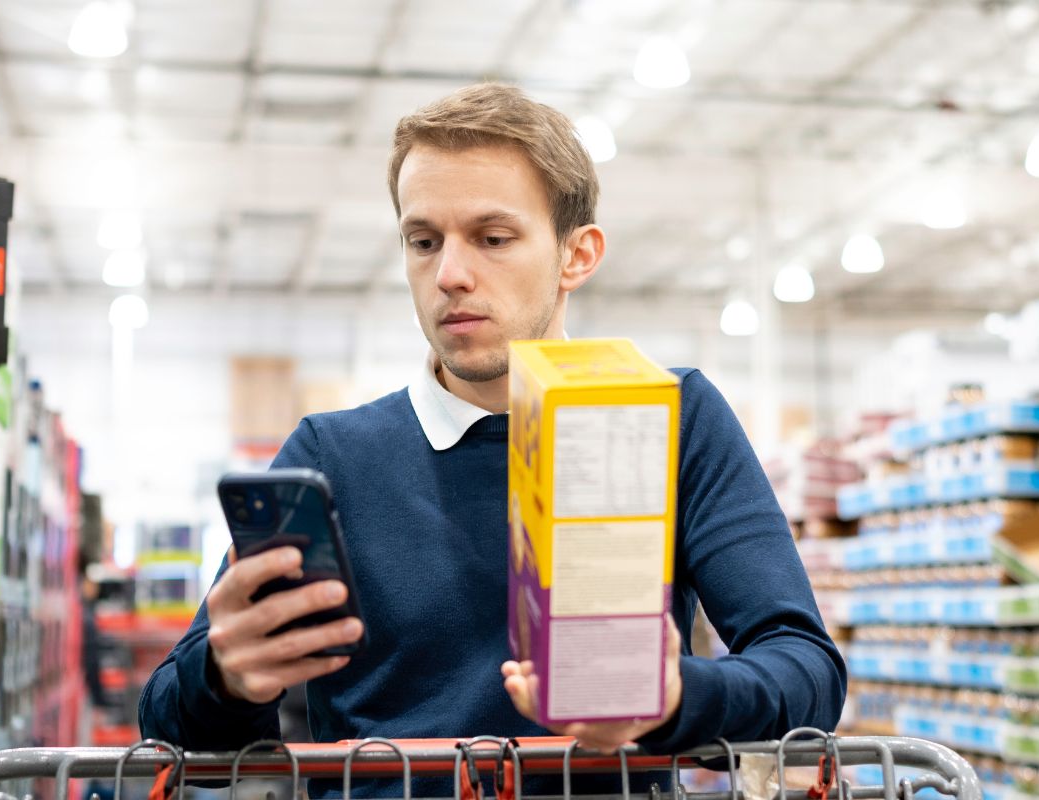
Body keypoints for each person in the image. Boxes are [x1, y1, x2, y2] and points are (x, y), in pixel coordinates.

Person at [139, 83, 845, 797]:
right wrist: (223, 677)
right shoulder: (331, 458)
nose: (449, 274)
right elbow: (169, 723)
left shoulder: (669, 416)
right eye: (423, 241)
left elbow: (807, 672)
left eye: (493, 238)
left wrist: (672, 700)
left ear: (577, 255)